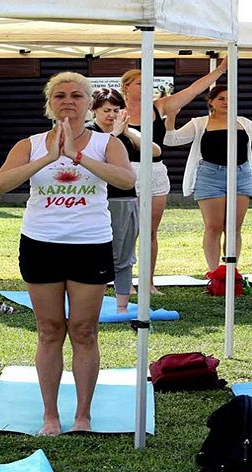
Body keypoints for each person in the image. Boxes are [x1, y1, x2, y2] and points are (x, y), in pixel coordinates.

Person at [0, 72, 135, 436]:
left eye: (76, 95)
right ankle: (50, 415)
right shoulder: (31, 144)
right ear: (50, 103)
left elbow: (126, 180)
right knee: (49, 330)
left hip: (90, 243)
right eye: (59, 96)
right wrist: (49, 158)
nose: (68, 101)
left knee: (84, 331)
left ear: (89, 103)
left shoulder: (107, 144)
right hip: (41, 243)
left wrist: (78, 157)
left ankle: (83, 415)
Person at [164, 85, 252, 271]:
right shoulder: (199, 123)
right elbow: (171, 140)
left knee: (234, 227)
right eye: (221, 98)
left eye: (230, 99)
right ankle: (214, 273)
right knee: (213, 227)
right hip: (210, 176)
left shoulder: (243, 122)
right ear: (211, 101)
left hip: (241, 175)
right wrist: (172, 115)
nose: (226, 102)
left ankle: (231, 271)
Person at [121, 58, 229, 293]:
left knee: (150, 231)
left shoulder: (158, 106)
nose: (145, 87)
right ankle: (125, 282)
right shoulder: (116, 110)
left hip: (156, 171)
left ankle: (148, 282)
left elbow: (193, 90)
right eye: (140, 83)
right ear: (127, 87)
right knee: (127, 231)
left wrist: (220, 70)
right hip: (126, 170)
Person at [86, 88, 161, 313]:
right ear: (94, 111)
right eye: (106, 110)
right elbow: (92, 160)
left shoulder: (126, 132)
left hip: (126, 199)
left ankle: (122, 305)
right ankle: (91, 301)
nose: (111, 115)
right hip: (100, 201)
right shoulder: (89, 132)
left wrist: (127, 132)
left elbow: (155, 151)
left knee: (125, 254)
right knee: (100, 252)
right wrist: (114, 135)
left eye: (116, 110)